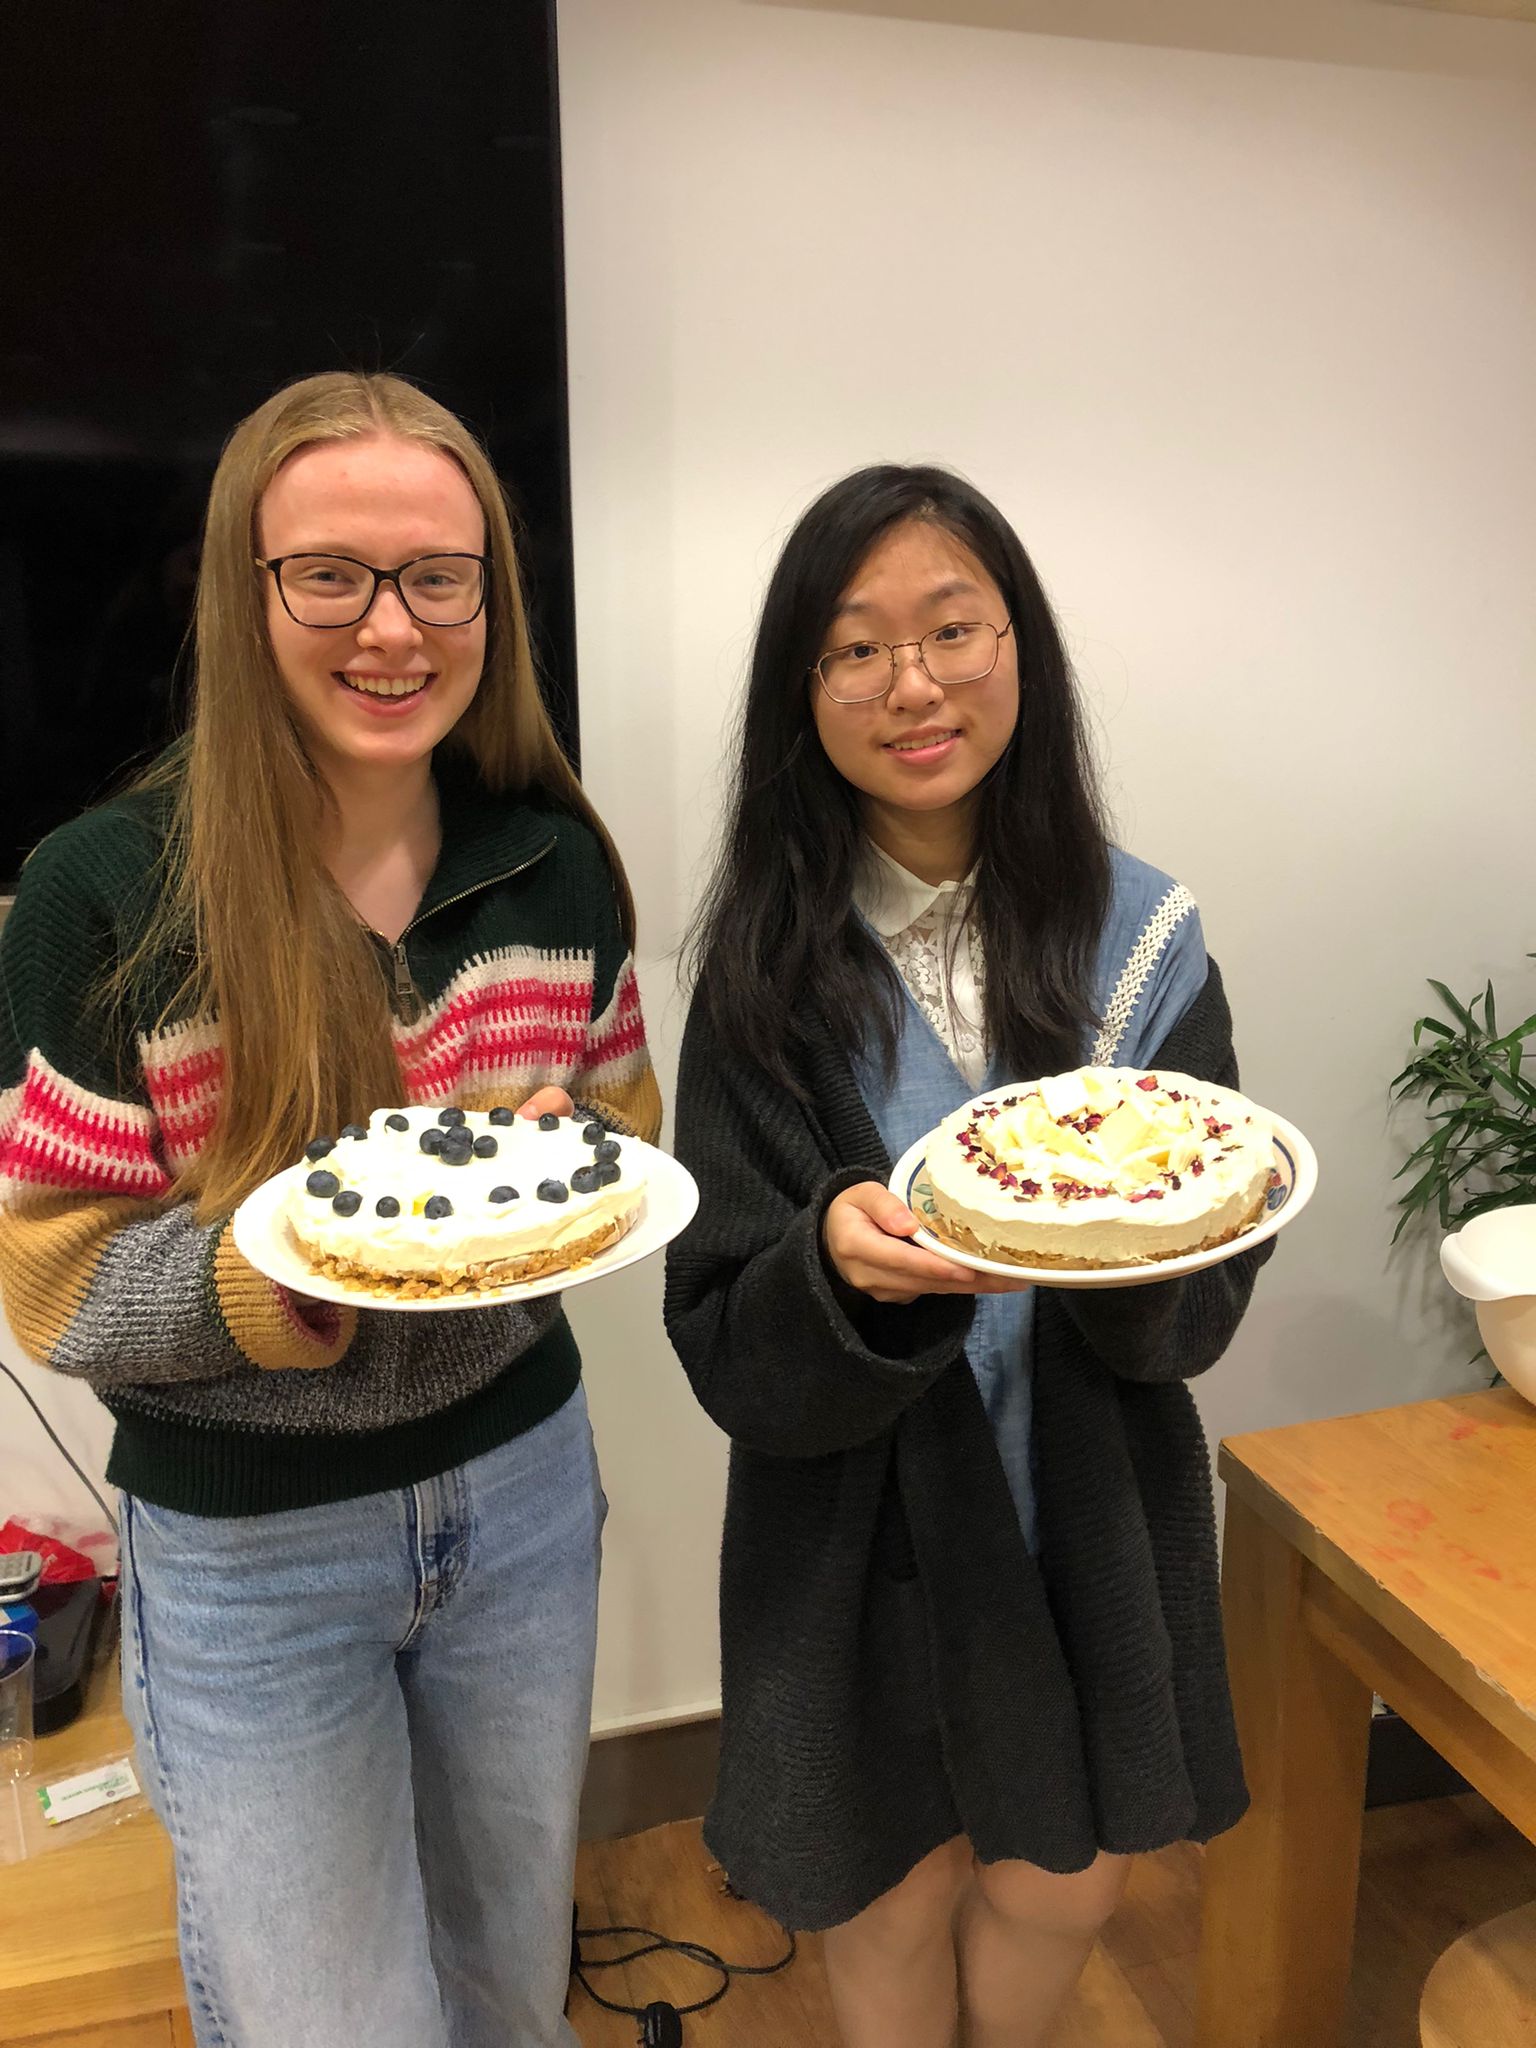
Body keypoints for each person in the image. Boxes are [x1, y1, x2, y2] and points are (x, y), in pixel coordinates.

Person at [0, 371, 659, 2048]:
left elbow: (622, 1128)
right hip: (249, 1550)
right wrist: (299, 1271)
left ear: (490, 601)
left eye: (440, 575)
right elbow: (61, 1286)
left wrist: (547, 1151)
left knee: (515, 1990)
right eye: (332, 575)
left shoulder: (552, 860)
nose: (393, 628)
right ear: (244, 588)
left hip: (521, 1498)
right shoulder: (105, 895)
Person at [664, 465, 1272, 2048]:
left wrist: (1131, 1238)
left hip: (1082, 1498)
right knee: (889, 1887)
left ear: (1024, 649)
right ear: (802, 692)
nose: (912, 684)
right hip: (857, 1525)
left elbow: (1205, 1279)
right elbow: (722, 1329)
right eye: (854, 648)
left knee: (1065, 1879)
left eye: (953, 628)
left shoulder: (1143, 942)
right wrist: (835, 1273)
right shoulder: (760, 972)